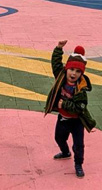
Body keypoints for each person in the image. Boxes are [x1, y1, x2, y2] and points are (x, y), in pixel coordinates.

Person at [45, 40, 96, 178]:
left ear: (81, 74)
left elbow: (79, 108)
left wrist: (64, 105)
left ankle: (78, 164)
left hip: (76, 122)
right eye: (72, 69)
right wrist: (58, 48)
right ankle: (65, 152)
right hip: (62, 118)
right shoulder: (61, 77)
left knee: (79, 146)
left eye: (78, 71)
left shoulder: (81, 89)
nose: (73, 73)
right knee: (59, 138)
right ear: (67, 68)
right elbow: (55, 64)